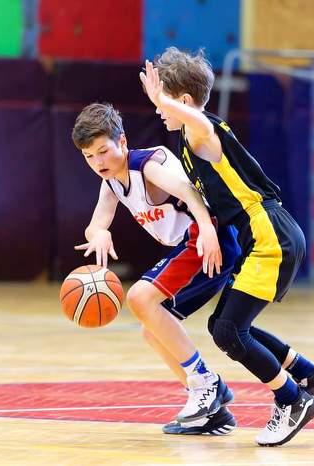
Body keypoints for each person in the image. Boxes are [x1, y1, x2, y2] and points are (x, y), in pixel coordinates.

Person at [140, 47, 314, 447]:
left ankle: (292, 399)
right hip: (264, 237)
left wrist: (162, 99)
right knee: (223, 325)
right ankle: (310, 374)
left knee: (229, 331)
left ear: (183, 101)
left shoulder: (200, 132)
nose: (159, 110)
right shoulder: (187, 140)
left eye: (164, 102)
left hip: (270, 234)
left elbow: (197, 119)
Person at [72, 102, 239, 435]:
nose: (98, 162)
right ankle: (209, 410)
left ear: (122, 142)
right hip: (190, 244)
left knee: (139, 298)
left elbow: (189, 192)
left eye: (103, 152)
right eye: (89, 157)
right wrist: (99, 234)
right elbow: (96, 224)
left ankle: (206, 383)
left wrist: (208, 230)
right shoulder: (112, 181)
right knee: (152, 331)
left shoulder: (146, 165)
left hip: (206, 238)